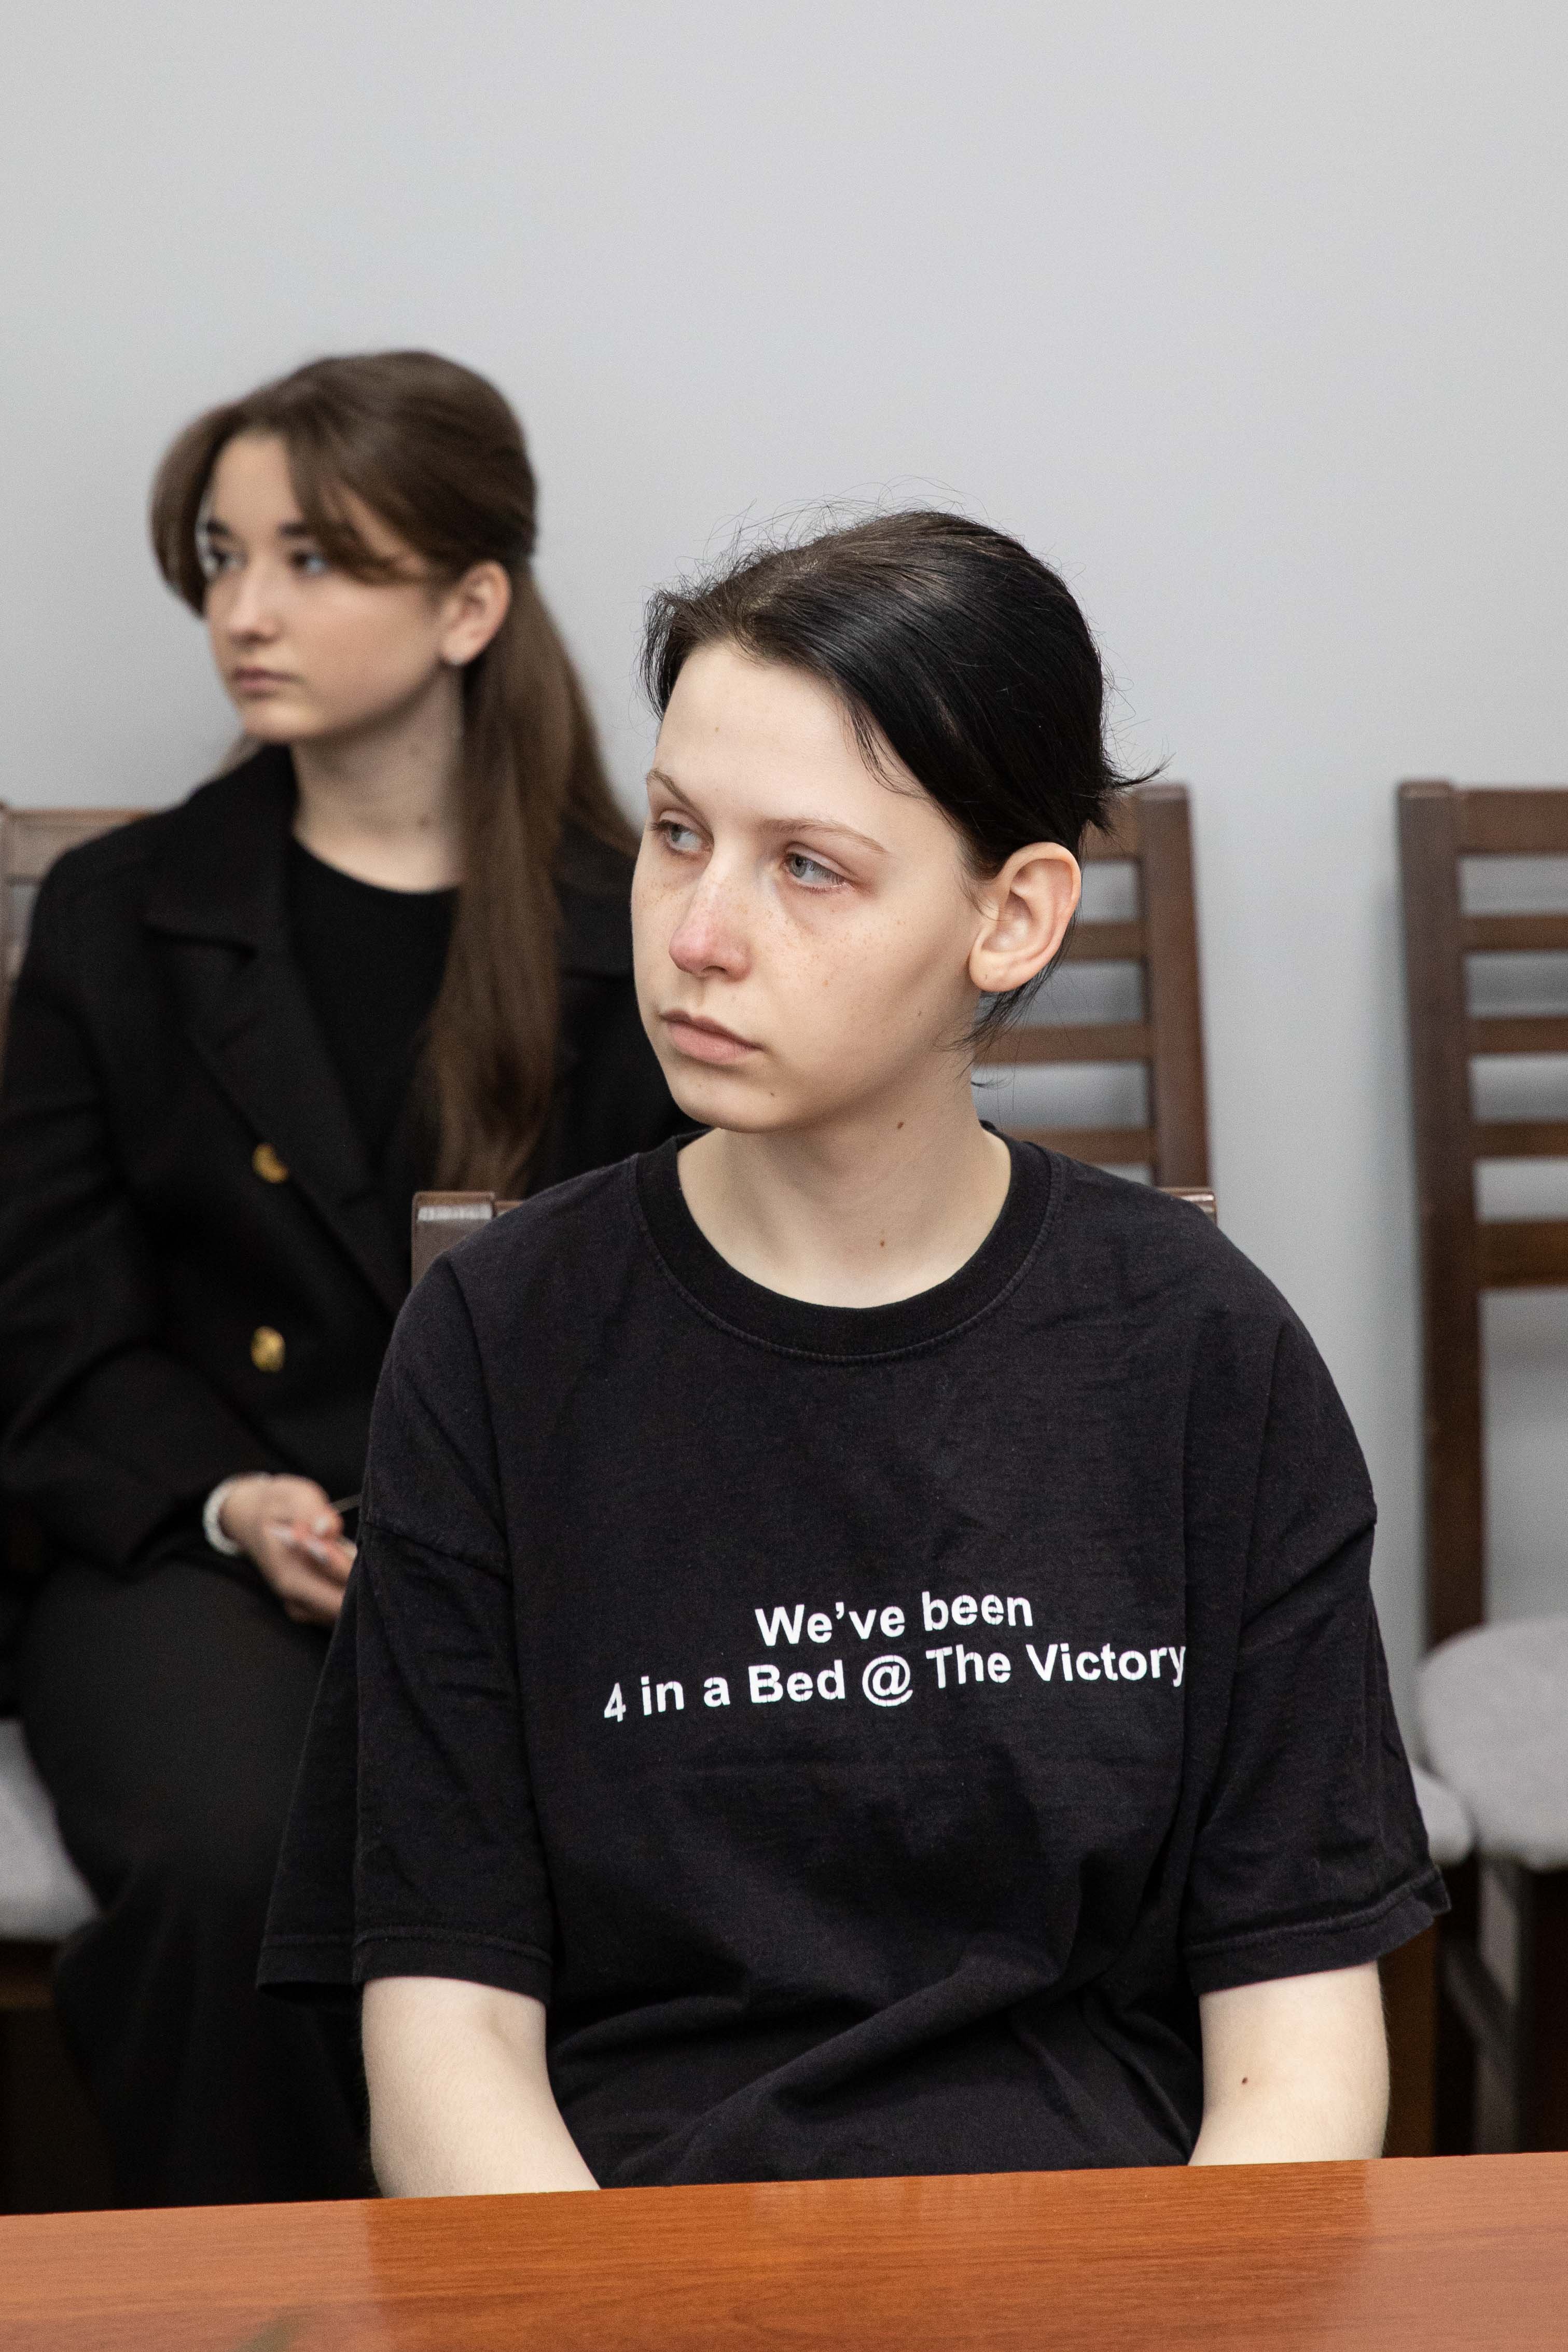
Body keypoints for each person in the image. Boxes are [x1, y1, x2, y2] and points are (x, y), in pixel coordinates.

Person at [260, 510, 1444, 2190]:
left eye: (806, 867)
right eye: (679, 834)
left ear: (1013, 918)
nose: (697, 933)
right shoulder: (500, 1341)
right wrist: (601, 2313)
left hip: (1102, 2250)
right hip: (638, 2249)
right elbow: (448, 2036)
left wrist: (1182, 2306)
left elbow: (1300, 2046)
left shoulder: (1199, 1349)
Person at [0, 350, 682, 2206]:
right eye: (222, 558)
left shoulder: (632, 926)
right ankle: (286, 2315)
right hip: (186, 1542)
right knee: (238, 1865)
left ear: (469, 605)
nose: (242, 612)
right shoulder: (127, 913)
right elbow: (48, 1316)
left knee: (647, 1842)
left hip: (550, 1553)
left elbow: (688, 1311)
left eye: (311, 560)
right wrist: (234, 1503)